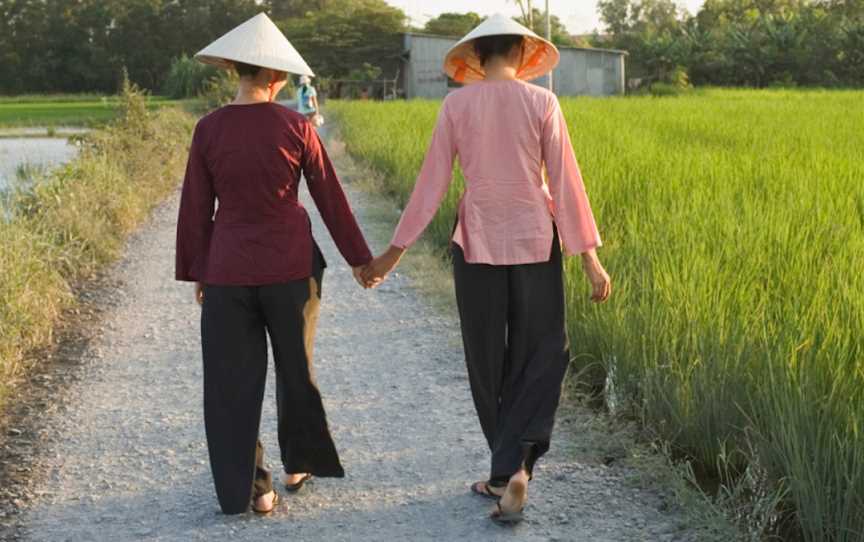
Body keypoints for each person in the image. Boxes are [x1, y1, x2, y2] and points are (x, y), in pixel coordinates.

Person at [362, 14, 612, 525]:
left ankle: (504, 472)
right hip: (534, 241)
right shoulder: (542, 101)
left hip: (475, 243)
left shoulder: (457, 104)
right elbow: (566, 182)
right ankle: (517, 465)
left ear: (476, 58)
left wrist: (394, 251)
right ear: (523, 54)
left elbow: (431, 183)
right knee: (545, 350)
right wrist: (589, 258)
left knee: (486, 358)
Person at [176, 13, 373, 515]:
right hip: (291, 271)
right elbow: (330, 197)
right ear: (277, 76)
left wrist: (199, 270)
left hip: (227, 272)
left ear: (236, 72)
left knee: (230, 383)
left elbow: (196, 206)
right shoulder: (296, 126)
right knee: (295, 369)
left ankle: (253, 490)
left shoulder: (208, 129)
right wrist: (360, 260)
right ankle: (296, 465)